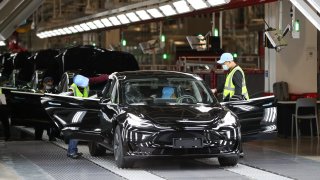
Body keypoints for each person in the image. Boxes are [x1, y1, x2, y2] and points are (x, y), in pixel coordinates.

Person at [67, 74, 89, 159]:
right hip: (75, 112)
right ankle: (72, 151)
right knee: (75, 132)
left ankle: (72, 151)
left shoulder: (85, 86)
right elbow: (68, 98)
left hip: (82, 110)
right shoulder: (72, 88)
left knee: (76, 132)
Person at [34, 76, 57, 141]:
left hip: (49, 112)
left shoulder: (53, 91)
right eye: (48, 84)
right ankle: (38, 137)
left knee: (51, 125)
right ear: (44, 84)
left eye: (51, 84)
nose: (50, 85)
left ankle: (51, 136)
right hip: (40, 112)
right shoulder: (39, 91)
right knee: (39, 127)